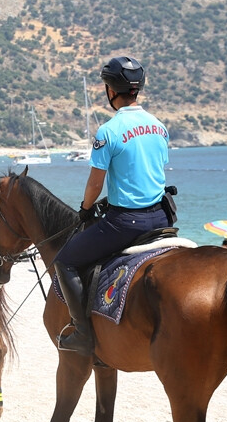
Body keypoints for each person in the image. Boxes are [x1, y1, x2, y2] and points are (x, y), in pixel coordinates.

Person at [53, 56, 170, 355]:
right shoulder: (159, 127)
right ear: (136, 90)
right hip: (162, 218)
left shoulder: (108, 131)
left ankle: (83, 333)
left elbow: (95, 185)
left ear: (110, 91)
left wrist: (85, 208)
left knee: (64, 261)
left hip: (126, 224)